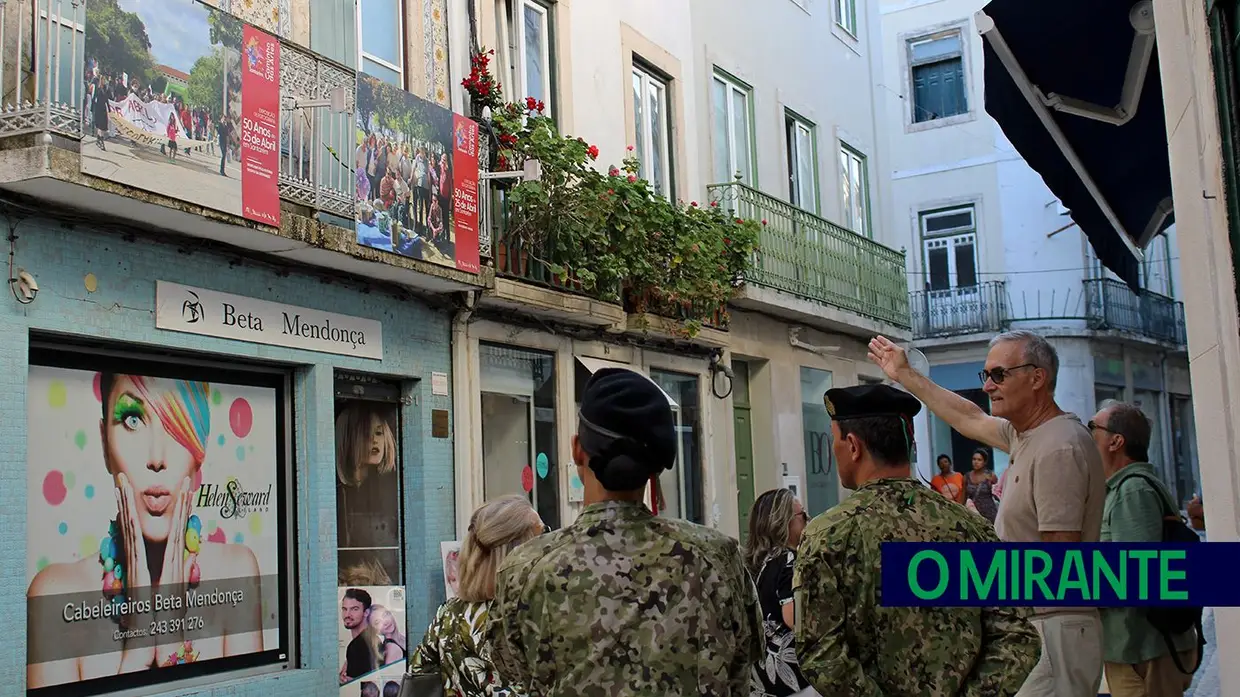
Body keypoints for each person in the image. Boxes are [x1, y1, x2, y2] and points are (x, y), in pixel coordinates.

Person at [486, 368, 763, 696]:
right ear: (656, 466)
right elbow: (743, 665)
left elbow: (512, 671)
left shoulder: (524, 570)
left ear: (577, 449)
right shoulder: (718, 558)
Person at [868, 331, 1105, 697]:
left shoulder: (1059, 446)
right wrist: (905, 375)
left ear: (1037, 377)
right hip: (1039, 627)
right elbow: (969, 418)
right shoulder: (1031, 434)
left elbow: (1059, 562)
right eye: (986, 376)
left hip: (1053, 631)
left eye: (999, 375)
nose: (988, 386)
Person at [794, 383, 1040, 696]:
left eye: (835, 439)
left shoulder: (828, 535)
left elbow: (820, 651)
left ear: (853, 446)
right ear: (909, 442)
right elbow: (1017, 636)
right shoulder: (970, 529)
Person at [27, 374, 263, 687]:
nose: (156, 458)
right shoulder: (55, 594)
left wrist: (171, 647)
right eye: (133, 420)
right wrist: (136, 654)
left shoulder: (236, 572)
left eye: (175, 422)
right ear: (104, 444)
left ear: (199, 451)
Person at [1091, 402, 1198, 696]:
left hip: (1145, 651)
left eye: (1093, 428)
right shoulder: (1121, 488)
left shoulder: (1132, 491)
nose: (1088, 435)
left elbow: (1137, 575)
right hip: (1134, 649)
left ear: (1116, 441)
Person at [408, 495, 544, 696]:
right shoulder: (534, 614)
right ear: (521, 549)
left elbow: (419, 676)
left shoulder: (448, 614)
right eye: (543, 532)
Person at [745, 489, 815, 697]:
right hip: (792, 677)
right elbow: (793, 617)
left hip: (761, 676)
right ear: (783, 522)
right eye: (802, 515)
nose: (808, 519)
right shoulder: (789, 562)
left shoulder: (759, 564)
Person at [340, 588, 380, 684]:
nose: (347, 614)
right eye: (344, 609)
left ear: (366, 612)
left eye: (354, 609)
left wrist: (347, 681)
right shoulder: (370, 639)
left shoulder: (358, 646)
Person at [966, 448, 1000, 523]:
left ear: (984, 462)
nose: (976, 462)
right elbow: (963, 496)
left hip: (990, 513)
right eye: (974, 459)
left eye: (979, 460)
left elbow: (998, 494)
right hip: (974, 514)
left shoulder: (990, 476)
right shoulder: (967, 476)